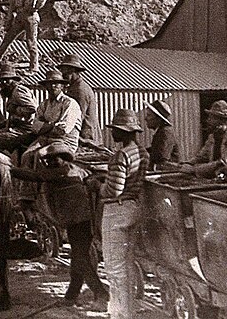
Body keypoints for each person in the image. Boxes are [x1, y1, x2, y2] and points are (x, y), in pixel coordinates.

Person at [10, 142, 107, 309]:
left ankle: (101, 294)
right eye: (49, 160)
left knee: (81, 259)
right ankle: (71, 296)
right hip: (76, 220)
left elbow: (37, 177)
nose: (52, 162)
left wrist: (9, 169)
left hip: (79, 221)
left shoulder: (64, 171)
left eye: (56, 159)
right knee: (78, 259)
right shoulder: (68, 170)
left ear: (64, 159)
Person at [100, 108, 148, 319]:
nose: (112, 133)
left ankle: (119, 314)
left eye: (115, 130)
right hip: (134, 207)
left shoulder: (120, 155)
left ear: (123, 132)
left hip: (116, 210)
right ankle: (127, 311)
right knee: (127, 266)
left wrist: (96, 186)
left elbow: (114, 189)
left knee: (113, 268)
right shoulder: (142, 153)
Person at [179, 100, 227, 178]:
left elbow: (225, 162)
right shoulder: (213, 136)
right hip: (213, 175)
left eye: (212, 118)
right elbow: (201, 156)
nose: (208, 121)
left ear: (224, 121)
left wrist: (194, 169)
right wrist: (187, 164)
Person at [0, 64, 39, 156]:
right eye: (2, 81)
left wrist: (15, 109)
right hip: (17, 126)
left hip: (24, 128)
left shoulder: (18, 91)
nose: (4, 83)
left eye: (7, 80)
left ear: (14, 81)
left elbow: (32, 108)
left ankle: (3, 160)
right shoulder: (11, 92)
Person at [57, 54, 101, 145]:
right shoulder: (74, 87)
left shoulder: (80, 90)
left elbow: (76, 117)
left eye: (64, 72)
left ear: (72, 70)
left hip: (85, 138)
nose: (62, 75)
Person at [145, 99, 179, 170]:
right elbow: (155, 151)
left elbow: (162, 161)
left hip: (168, 173)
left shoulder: (165, 132)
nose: (146, 118)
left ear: (158, 119)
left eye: (149, 115)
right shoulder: (161, 131)